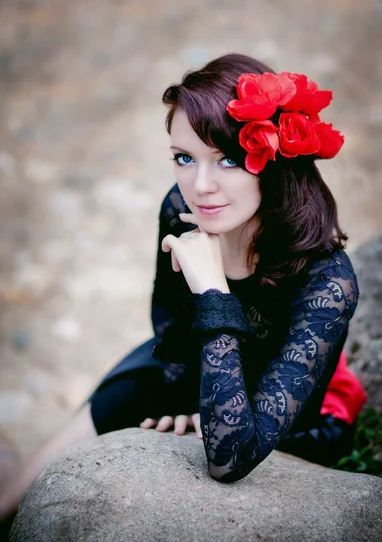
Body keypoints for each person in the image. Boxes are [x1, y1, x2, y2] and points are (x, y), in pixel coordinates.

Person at [0, 53, 367, 518]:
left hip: (284, 414)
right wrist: (186, 401)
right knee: (35, 478)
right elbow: (168, 318)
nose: (201, 186)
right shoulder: (179, 207)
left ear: (274, 161)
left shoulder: (327, 280)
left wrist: (214, 290)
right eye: (183, 158)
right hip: (188, 366)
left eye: (229, 159)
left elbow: (230, 457)